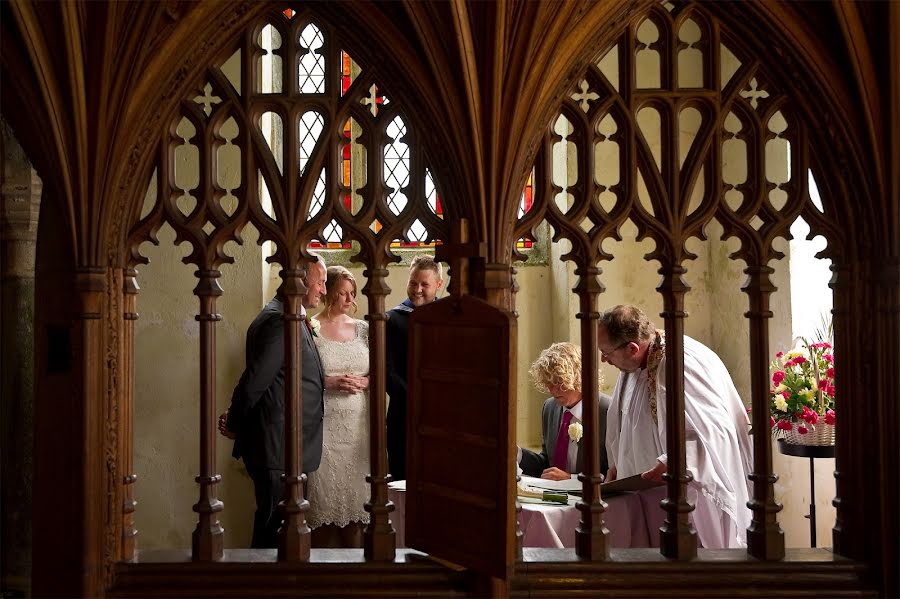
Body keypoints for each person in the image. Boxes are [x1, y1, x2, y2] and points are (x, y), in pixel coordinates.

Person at [598, 304, 752, 549]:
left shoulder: (682, 362)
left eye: (606, 353)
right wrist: (616, 464)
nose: (604, 360)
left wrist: (674, 460)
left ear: (632, 348)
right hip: (645, 491)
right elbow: (623, 421)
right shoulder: (633, 366)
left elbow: (714, 430)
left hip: (684, 495)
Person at [218, 255, 327, 548]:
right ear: (302, 280)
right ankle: (263, 586)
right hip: (278, 446)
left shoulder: (287, 314)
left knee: (282, 529)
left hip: (287, 445)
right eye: (322, 282)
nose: (324, 290)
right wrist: (236, 422)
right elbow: (255, 380)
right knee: (272, 530)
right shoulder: (280, 321)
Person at [307, 266, 370, 548]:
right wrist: (329, 381)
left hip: (358, 427)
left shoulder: (364, 329)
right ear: (328, 291)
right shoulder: (311, 327)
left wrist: (365, 383)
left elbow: (380, 372)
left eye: (352, 293)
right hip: (325, 425)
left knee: (357, 507)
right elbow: (300, 374)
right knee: (322, 503)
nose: (348, 299)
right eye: (342, 292)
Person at [385, 254, 444, 481]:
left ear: (439, 284)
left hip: (442, 413)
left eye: (425, 284)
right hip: (404, 412)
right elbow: (387, 371)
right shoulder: (392, 319)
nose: (417, 289)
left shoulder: (451, 318)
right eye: (413, 283)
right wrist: (417, 398)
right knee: (404, 478)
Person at [518, 342, 610, 481]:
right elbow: (548, 465)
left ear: (579, 377)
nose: (553, 390)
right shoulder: (549, 407)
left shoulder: (607, 410)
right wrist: (517, 454)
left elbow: (615, 473)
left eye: (560, 381)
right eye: (548, 382)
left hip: (594, 499)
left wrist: (570, 479)